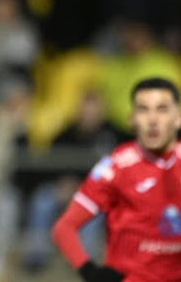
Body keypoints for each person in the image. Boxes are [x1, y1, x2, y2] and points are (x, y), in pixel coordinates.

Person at [51, 77, 181, 282]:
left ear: (178, 118)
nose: (152, 119)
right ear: (132, 119)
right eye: (143, 110)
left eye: (162, 109)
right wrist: (91, 273)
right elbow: (64, 228)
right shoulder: (115, 168)